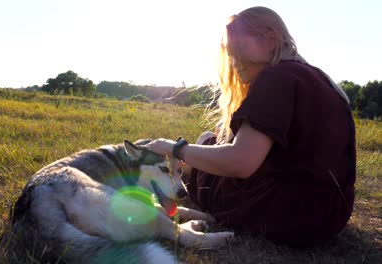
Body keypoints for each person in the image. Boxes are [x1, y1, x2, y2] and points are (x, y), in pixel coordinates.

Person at [143, 6, 356, 247]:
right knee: (209, 139)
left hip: (289, 214)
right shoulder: (315, 78)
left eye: (238, 51)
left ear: (271, 38)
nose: (234, 63)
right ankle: (193, 163)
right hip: (330, 214)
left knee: (206, 152)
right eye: (230, 55)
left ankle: (187, 171)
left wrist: (176, 149)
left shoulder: (277, 77)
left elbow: (240, 162)